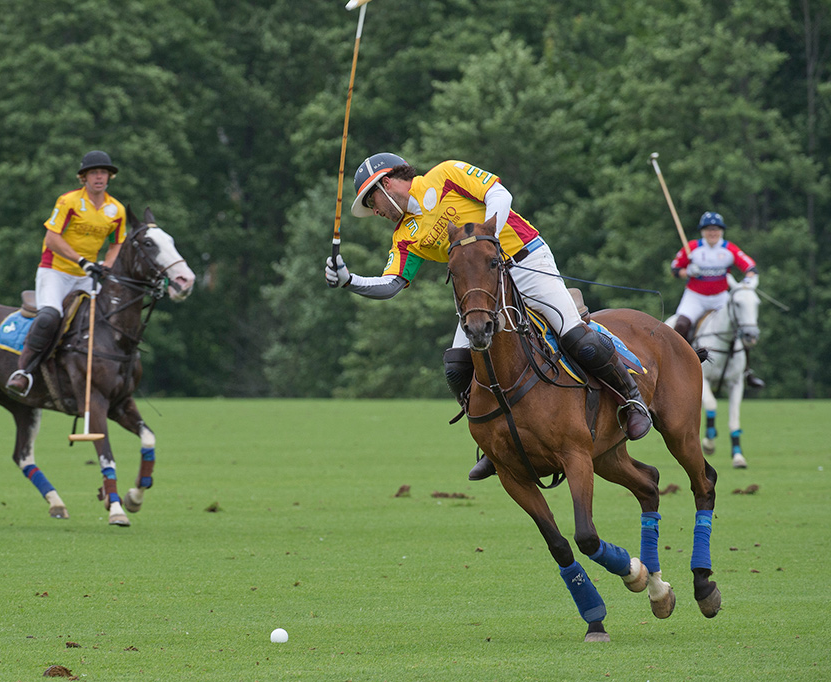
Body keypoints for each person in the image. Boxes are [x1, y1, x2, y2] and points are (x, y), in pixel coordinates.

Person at [325, 153, 652, 480]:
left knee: (576, 337)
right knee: (456, 367)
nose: (376, 211)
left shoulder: (445, 174)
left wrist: (490, 236)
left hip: (525, 261)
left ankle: (632, 400)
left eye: (373, 200)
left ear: (386, 183)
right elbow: (393, 283)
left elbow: (498, 194)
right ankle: (494, 445)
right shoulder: (405, 234)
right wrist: (349, 280)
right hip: (484, 289)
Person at [5, 150, 127, 396]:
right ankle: (24, 371)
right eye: (94, 173)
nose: (99, 177)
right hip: (55, 271)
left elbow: (117, 243)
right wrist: (82, 261)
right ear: (84, 177)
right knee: (50, 315)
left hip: (87, 275)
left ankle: (114, 369)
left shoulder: (116, 210)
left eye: (103, 172)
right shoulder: (68, 201)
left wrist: (108, 265)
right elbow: (51, 238)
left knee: (111, 315)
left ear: (109, 177)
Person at [670, 211, 763, 388]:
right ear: (702, 231)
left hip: (721, 298)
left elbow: (750, 267)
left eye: (716, 229)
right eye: (708, 229)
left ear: (721, 231)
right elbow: (675, 270)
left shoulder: (729, 249)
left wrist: (748, 280)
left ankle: (747, 371)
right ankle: (677, 365)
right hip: (695, 297)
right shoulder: (692, 248)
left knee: (742, 327)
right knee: (681, 324)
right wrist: (687, 271)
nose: (713, 233)